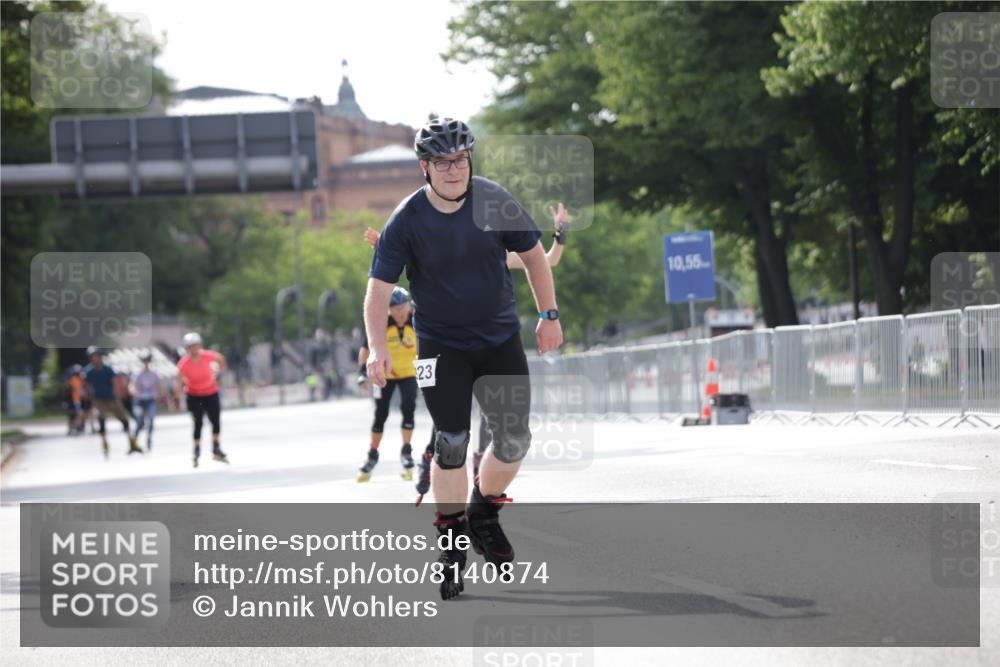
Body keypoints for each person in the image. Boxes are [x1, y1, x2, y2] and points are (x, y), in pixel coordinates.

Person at [365, 117, 562, 600]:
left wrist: (549, 314)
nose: (454, 170)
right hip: (440, 346)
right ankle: (452, 541)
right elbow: (377, 292)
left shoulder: (494, 199)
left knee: (514, 438)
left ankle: (484, 510)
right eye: (442, 162)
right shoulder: (407, 219)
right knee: (452, 441)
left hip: (498, 341)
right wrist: (375, 347)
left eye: (460, 159)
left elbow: (535, 256)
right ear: (424, 166)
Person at [364, 202, 571, 484]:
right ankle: (431, 458)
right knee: (449, 423)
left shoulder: (496, 253)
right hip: (439, 340)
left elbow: (547, 260)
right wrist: (386, 247)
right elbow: (395, 264)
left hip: (487, 342)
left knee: (494, 413)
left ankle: (480, 473)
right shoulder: (432, 250)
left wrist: (561, 234)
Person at [356, 286, 418, 483]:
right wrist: (362, 373)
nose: (400, 313)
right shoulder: (381, 323)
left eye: (403, 308)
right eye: (395, 309)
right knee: (380, 414)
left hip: (408, 373)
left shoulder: (417, 320)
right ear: (388, 309)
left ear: (409, 305)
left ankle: (406, 451)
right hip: (384, 376)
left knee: (409, 407)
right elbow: (366, 349)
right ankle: (372, 454)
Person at [175, 332, 229, 468]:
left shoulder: (207, 355)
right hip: (194, 395)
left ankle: (216, 447)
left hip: (211, 392)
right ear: (187, 348)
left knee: (215, 420)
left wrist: (219, 373)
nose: (194, 349)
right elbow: (178, 380)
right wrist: (177, 397)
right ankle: (197, 449)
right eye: (190, 347)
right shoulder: (184, 363)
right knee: (198, 422)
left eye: (196, 346)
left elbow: (221, 359)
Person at [83, 346, 143, 457]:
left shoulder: (107, 369)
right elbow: (87, 386)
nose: (95, 359)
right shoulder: (89, 371)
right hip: (98, 399)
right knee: (101, 419)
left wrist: (116, 397)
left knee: (123, 419)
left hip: (110, 397)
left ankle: (132, 442)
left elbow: (114, 382)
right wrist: (90, 400)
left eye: (97, 356)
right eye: (93, 357)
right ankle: (104, 442)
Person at [131, 352, 162, 451]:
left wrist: (161, 396)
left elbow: (159, 386)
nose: (146, 363)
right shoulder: (137, 374)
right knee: (140, 422)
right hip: (140, 400)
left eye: (147, 361)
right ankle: (134, 440)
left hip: (150, 399)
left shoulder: (154, 374)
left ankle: (149, 439)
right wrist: (134, 392)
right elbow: (132, 385)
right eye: (144, 361)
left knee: (151, 420)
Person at [64, 364, 86, 436]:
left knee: (75, 414)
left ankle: (75, 427)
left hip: (77, 400)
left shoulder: (78, 379)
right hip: (76, 400)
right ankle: (77, 427)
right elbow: (79, 390)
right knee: (78, 414)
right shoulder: (75, 379)